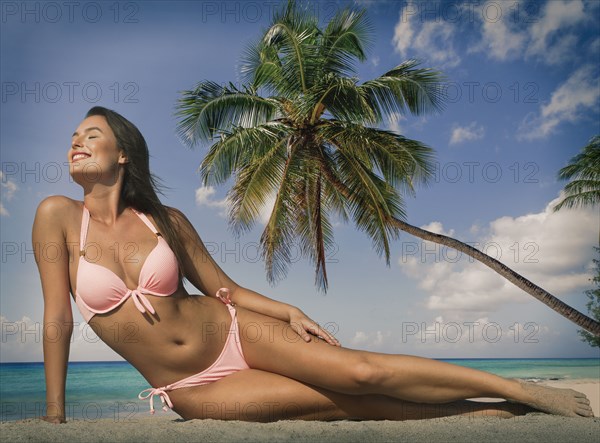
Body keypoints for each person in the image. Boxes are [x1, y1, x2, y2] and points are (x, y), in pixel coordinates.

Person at [32, 106, 594, 424]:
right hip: (188, 386)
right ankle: (475, 414)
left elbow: (223, 288)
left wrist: (287, 310)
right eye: (73, 137)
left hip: (236, 331)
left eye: (91, 135)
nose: (76, 142)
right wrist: (55, 414)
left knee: (360, 372)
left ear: (123, 154)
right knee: (336, 404)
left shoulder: (166, 221)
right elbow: (58, 318)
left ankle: (521, 392)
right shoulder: (57, 216)